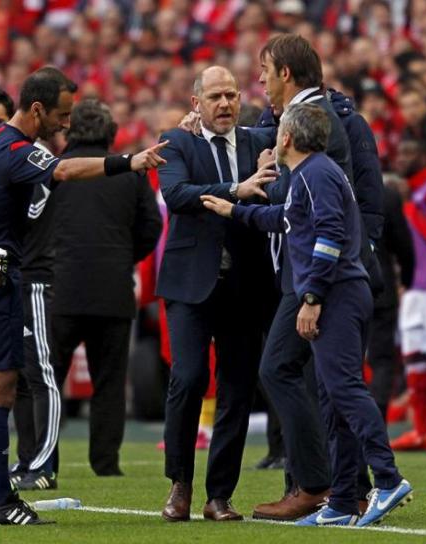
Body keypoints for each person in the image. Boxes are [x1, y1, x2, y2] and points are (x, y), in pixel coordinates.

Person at [0, 66, 168, 526]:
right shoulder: (18, 150)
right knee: (0, 388)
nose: (66, 123)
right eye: (62, 115)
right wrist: (129, 162)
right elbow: (64, 170)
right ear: (37, 109)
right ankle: (1, 503)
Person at [201, 102, 412, 527]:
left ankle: (388, 478)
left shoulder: (315, 174)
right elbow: (286, 218)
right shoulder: (310, 173)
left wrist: (312, 296)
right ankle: (342, 500)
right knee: (332, 399)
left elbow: (330, 234)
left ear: (287, 137)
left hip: (337, 293)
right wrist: (235, 210)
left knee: (345, 389)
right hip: (339, 291)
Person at [156, 66, 275, 523]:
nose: (225, 104)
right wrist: (235, 190)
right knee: (188, 379)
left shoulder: (258, 141)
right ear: (196, 104)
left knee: (238, 390)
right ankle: (180, 483)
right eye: (215, 97)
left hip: (245, 284)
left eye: (231, 95)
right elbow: (176, 194)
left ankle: (219, 495)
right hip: (190, 283)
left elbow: (293, 127)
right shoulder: (176, 141)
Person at [52, 99, 162, 477]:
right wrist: (124, 256)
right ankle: (106, 463)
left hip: (60, 288)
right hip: (112, 288)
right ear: (110, 132)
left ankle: (40, 460)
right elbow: (151, 226)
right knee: (110, 382)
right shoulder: (129, 172)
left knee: (46, 381)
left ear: (69, 131)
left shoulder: (54, 171)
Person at [0, 87, 63, 491]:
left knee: (40, 372)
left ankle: (44, 464)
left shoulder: (32, 157)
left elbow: (31, 212)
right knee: (16, 376)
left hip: (35, 275)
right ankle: (25, 461)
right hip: (6, 276)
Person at [390, 138, 426, 451]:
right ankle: (421, 430)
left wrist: (409, 206)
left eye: (409, 152)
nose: (402, 158)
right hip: (412, 287)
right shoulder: (404, 193)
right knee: (414, 360)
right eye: (400, 152)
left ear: (425, 156)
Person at [367, 182, 415, 421]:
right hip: (381, 287)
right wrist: (406, 278)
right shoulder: (386, 195)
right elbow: (404, 244)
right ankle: (376, 424)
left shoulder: (326, 183)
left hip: (339, 288)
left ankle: (344, 428)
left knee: (342, 361)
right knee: (382, 360)